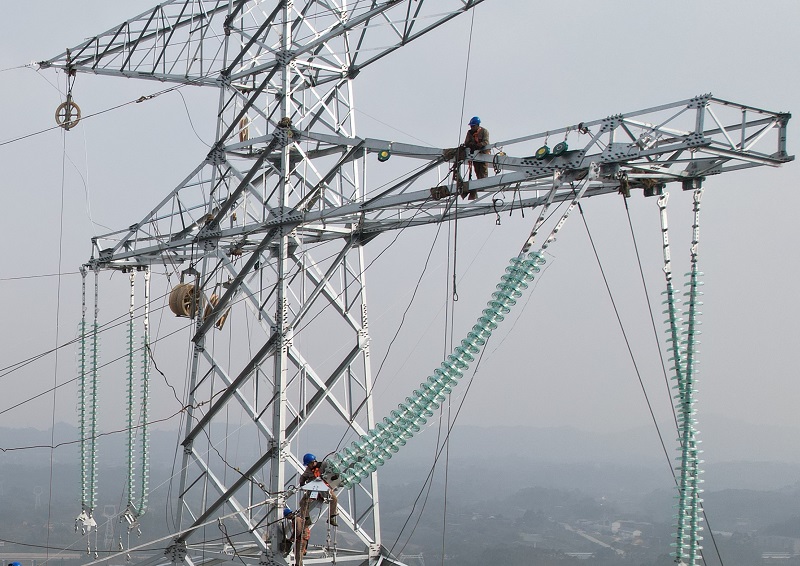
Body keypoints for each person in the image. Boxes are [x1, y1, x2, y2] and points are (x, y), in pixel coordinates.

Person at [299, 453, 339, 526]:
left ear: (313, 462)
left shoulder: (324, 465)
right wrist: (302, 483)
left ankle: (331, 517)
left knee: (334, 499)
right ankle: (307, 518)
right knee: (303, 502)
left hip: (324, 488)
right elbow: (303, 477)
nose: (308, 466)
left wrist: (335, 475)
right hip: (313, 488)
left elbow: (334, 470)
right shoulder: (309, 470)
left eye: (309, 464)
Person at [463, 116, 490, 182]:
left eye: (473, 126)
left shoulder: (484, 131)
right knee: (477, 169)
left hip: (483, 154)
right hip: (474, 154)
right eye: (471, 126)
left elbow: (486, 142)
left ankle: (484, 182)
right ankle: (480, 182)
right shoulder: (469, 133)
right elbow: (466, 143)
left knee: (483, 169)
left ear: (477, 125)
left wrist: (479, 145)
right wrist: (471, 146)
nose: (471, 128)